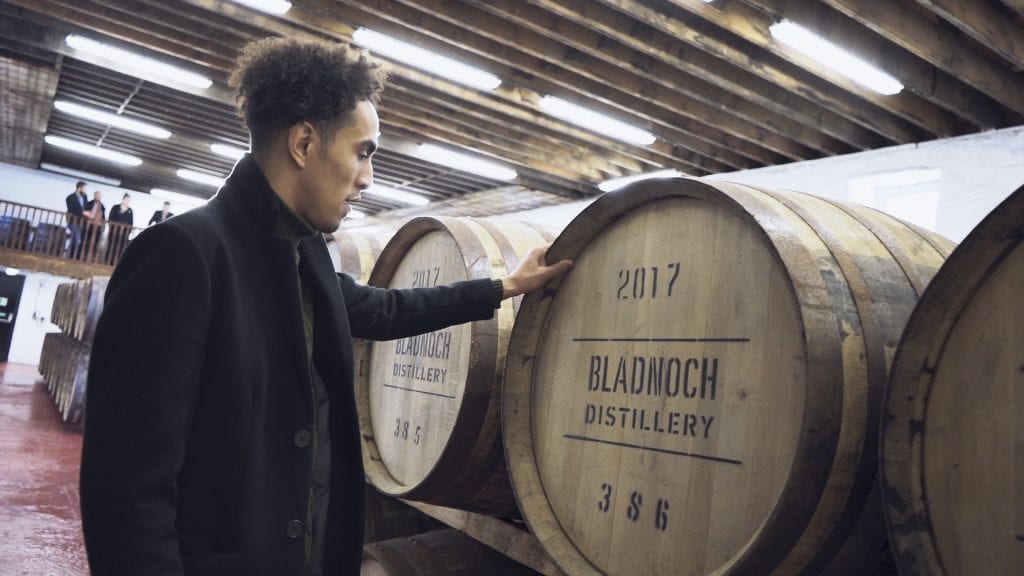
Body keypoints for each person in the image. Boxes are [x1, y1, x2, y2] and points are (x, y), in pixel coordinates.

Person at [80, 37, 572, 576]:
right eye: (363, 152)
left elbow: (384, 310)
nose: (367, 178)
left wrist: (504, 287)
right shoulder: (182, 254)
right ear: (304, 143)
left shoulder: (302, 253)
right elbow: (126, 491)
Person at [107, 194, 134, 264]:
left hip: (124, 234)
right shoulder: (115, 207)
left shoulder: (130, 210)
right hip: (114, 232)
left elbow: (131, 222)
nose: (128, 202)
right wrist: (112, 228)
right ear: (123, 199)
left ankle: (118, 263)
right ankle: (108, 261)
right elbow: (110, 218)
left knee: (121, 248)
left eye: (129, 201)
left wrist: (129, 232)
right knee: (111, 247)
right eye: (127, 200)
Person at [64, 181, 88, 258]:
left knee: (76, 239)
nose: (85, 190)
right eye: (84, 188)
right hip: (72, 221)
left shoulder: (84, 197)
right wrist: (83, 213)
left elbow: (86, 207)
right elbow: (71, 209)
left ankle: (69, 255)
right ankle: (70, 256)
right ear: (79, 188)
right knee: (77, 239)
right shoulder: (70, 197)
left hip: (81, 222)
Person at [82, 190, 106, 261]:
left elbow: (103, 216)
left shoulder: (102, 206)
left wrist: (103, 225)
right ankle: (84, 255)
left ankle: (92, 257)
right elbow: (86, 213)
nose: (98, 197)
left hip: (98, 227)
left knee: (96, 242)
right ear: (94, 196)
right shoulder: (89, 203)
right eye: (97, 195)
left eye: (99, 196)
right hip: (90, 225)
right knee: (86, 240)